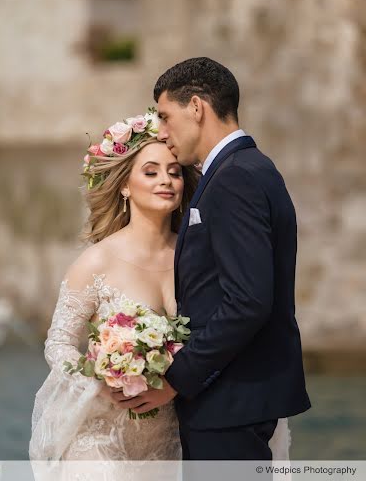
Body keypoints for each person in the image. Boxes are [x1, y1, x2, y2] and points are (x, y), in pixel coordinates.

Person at [110, 57, 311, 464]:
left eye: (166, 117)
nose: (163, 133)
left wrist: (178, 379)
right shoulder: (249, 168)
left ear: (197, 108)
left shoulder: (235, 177)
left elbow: (248, 301)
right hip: (238, 395)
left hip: (229, 400)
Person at [29, 109, 200, 463]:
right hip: (99, 441)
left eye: (173, 173)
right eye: (150, 172)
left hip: (166, 441)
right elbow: (58, 343)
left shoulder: (194, 257)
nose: (165, 181)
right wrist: (100, 384)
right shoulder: (97, 261)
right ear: (124, 185)